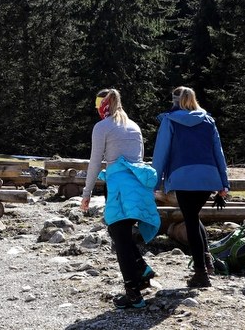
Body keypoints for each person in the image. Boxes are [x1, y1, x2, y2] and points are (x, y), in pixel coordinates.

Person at [80, 88, 160, 309]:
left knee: (121, 240)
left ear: (101, 106)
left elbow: (95, 162)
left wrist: (86, 193)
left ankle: (133, 294)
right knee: (119, 233)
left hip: (118, 190)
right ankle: (142, 269)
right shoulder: (134, 125)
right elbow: (139, 160)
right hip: (137, 188)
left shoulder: (102, 127)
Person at [152, 86, 229, 289]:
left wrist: (154, 183)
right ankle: (206, 260)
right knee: (193, 217)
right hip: (208, 177)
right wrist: (223, 183)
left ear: (175, 100)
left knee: (191, 221)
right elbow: (218, 152)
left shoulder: (170, 120)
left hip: (182, 176)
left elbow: (161, 153)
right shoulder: (208, 120)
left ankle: (201, 274)